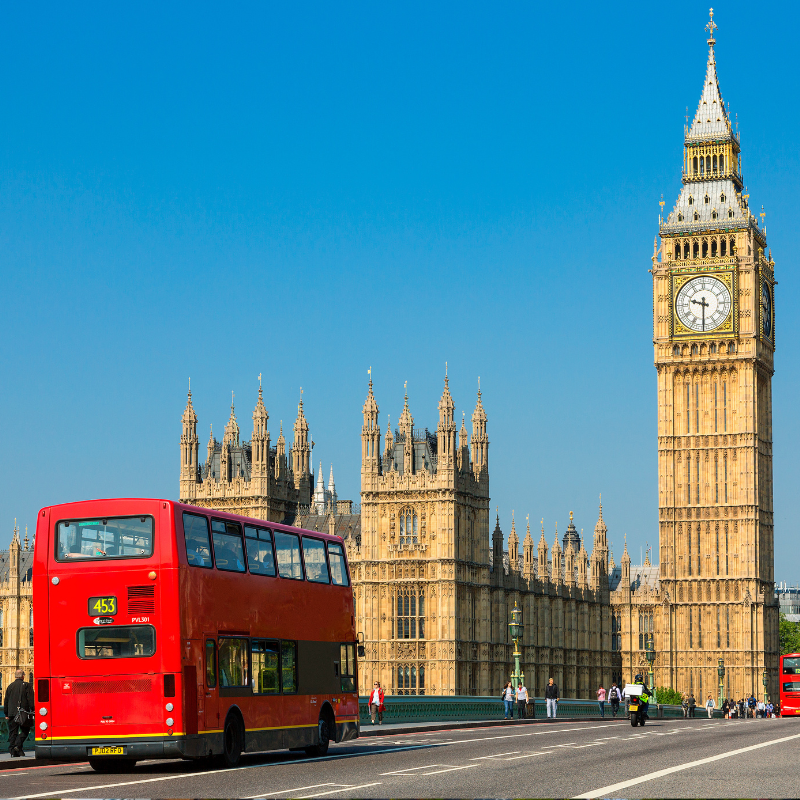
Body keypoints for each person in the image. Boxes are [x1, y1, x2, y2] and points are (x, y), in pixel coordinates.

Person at [4, 670, 34, 757]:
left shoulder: (10, 686)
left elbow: (6, 701)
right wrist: (32, 709)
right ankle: (17, 745)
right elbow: (31, 701)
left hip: (12, 713)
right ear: (23, 676)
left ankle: (14, 751)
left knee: (13, 733)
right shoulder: (27, 685)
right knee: (25, 730)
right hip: (23, 713)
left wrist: (6, 714)